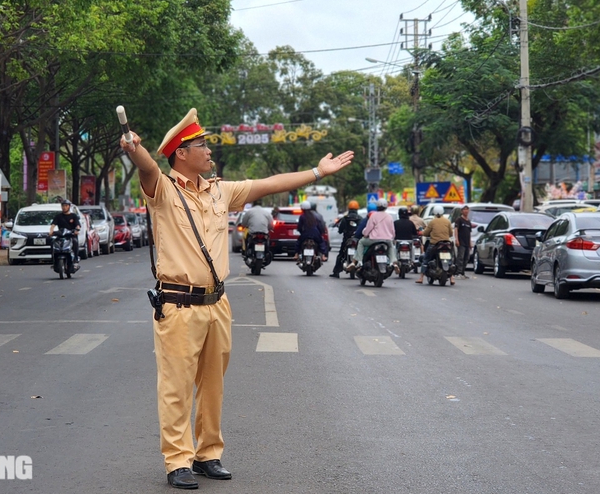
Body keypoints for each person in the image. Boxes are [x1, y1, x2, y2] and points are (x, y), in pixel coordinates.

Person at [119, 107, 353, 489]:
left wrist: (317, 173)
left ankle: (207, 454)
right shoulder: (163, 190)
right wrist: (135, 149)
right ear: (181, 152)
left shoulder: (220, 191)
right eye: (202, 145)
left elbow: (270, 183)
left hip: (217, 305)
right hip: (178, 305)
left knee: (213, 386)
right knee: (176, 386)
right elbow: (147, 168)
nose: (209, 151)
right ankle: (177, 459)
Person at [350, 198, 397, 270]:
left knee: (361, 242)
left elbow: (367, 230)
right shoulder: (389, 217)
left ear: (377, 207)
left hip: (373, 240)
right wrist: (392, 238)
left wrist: (365, 234)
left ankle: (359, 261)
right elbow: (393, 231)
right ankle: (392, 262)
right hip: (387, 240)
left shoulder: (373, 216)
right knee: (390, 246)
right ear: (386, 207)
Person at [416, 210, 454, 285]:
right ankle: (452, 278)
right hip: (447, 243)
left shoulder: (432, 222)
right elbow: (451, 233)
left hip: (435, 244)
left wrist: (422, 233)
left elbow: (426, 233)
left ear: (435, 214)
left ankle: (421, 278)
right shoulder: (447, 221)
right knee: (450, 260)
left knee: (426, 259)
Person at [330, 200, 361, 277]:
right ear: (357, 208)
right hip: (357, 240)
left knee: (341, 254)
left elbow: (340, 230)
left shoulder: (345, 218)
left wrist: (341, 231)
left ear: (349, 208)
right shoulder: (360, 218)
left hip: (347, 240)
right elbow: (362, 229)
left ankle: (336, 272)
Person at [453, 206, 476, 278]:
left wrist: (470, 242)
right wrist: (456, 240)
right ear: (461, 211)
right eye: (464, 210)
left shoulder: (468, 221)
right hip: (461, 242)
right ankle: (458, 272)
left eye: (467, 210)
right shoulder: (459, 220)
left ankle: (462, 272)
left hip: (467, 242)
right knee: (460, 257)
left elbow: (469, 233)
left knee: (467, 258)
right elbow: (456, 229)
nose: (466, 211)